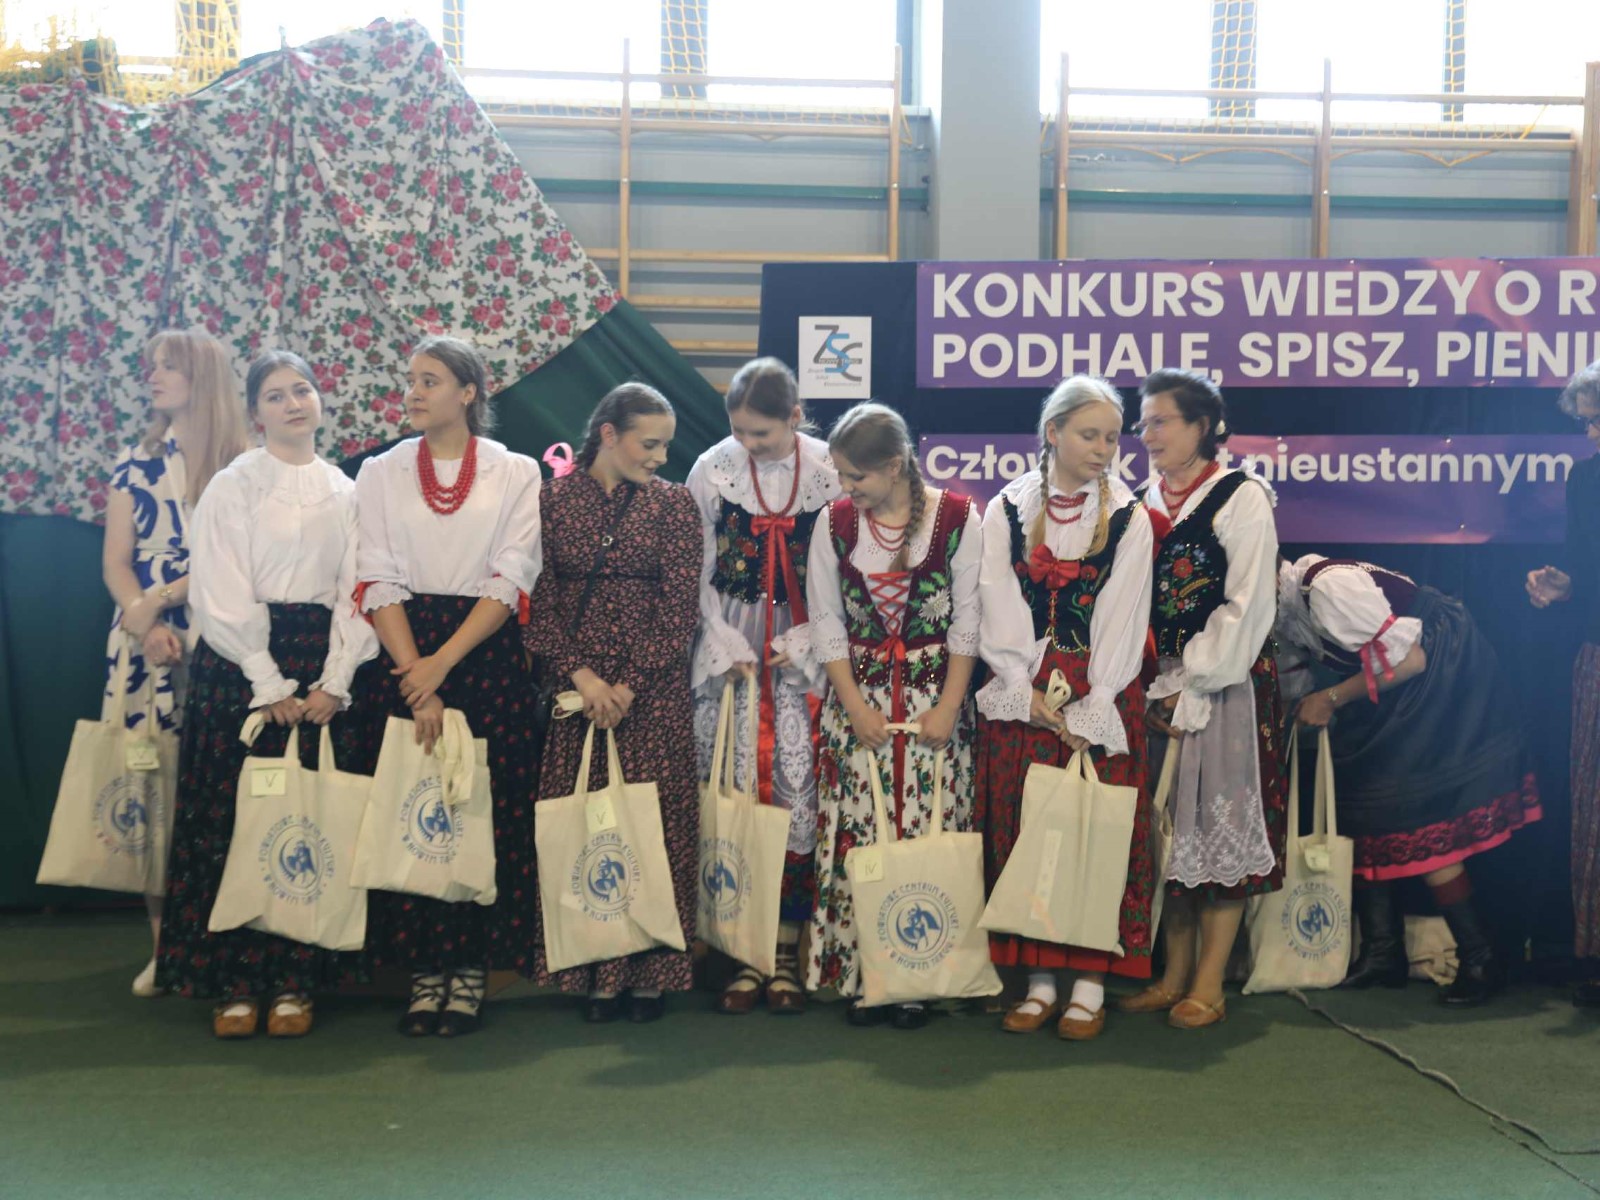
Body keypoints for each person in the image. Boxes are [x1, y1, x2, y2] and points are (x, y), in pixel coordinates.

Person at [156, 349, 379, 1037]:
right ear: (255, 413)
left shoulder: (346, 490)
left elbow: (358, 589)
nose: (292, 404)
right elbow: (219, 588)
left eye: (301, 390)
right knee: (235, 820)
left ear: (319, 401)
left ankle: (294, 980)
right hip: (242, 666)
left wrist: (335, 681)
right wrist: (266, 681)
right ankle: (233, 980)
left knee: (307, 821)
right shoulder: (235, 485)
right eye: (276, 395)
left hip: (320, 666)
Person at [354, 335, 542, 1038]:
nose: (413, 391)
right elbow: (375, 574)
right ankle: (423, 971)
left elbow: (512, 574)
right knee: (414, 808)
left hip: (483, 653)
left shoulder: (515, 471)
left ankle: (471, 969)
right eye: (410, 379)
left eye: (430, 380)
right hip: (404, 649)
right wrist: (418, 676)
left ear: (468, 393)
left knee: (479, 811)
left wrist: (444, 664)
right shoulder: (380, 471)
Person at [975, 376, 1155, 1040]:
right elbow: (994, 595)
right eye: (1089, 435)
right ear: (1053, 433)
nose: (1103, 449)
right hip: (1027, 687)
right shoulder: (1007, 507)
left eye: (1111, 437)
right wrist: (1017, 684)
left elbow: (1124, 612)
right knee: (1031, 828)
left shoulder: (1129, 517)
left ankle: (1090, 982)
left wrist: (1096, 702)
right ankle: (1041, 980)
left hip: (1096, 686)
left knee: (1092, 830)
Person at [1280, 552, 1540, 1006]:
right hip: (1392, 682)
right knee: (1360, 798)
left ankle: (1480, 957)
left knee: (1417, 811)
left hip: (1439, 668)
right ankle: (1383, 952)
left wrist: (1331, 697)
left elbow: (1410, 661)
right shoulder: (1287, 613)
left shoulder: (1325, 589)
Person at [525, 383, 703, 1024]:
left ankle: (651, 973)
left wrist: (626, 686)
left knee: (654, 831)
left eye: (666, 446)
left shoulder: (675, 505)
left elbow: (680, 608)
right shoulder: (548, 501)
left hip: (650, 696)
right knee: (584, 829)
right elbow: (537, 598)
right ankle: (594, 970)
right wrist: (582, 678)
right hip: (577, 693)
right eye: (648, 443)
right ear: (608, 434)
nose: (660, 457)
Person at [1118, 368, 1286, 1030]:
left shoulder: (1240, 497)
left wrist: (1196, 678)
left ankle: (1210, 982)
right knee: (1172, 834)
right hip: (1158, 685)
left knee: (1216, 829)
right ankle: (1172, 974)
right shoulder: (1140, 501)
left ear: (1204, 426)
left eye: (1161, 421)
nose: (1147, 435)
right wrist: (1150, 682)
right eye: (1144, 423)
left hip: (1223, 684)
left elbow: (1248, 602)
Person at [806, 401, 981, 1030]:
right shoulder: (833, 523)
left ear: (895, 464)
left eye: (856, 476)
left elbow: (968, 620)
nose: (846, 487)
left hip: (935, 702)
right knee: (863, 836)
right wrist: (854, 707)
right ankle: (866, 975)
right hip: (863, 703)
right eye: (841, 474)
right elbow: (826, 622)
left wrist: (949, 707)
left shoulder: (957, 517)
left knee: (928, 832)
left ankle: (920, 977)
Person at [686, 358, 839, 1014]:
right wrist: (721, 638)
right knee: (734, 792)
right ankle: (739, 951)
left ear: (796, 417)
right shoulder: (712, 469)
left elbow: (841, 568)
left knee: (795, 797)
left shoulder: (829, 469)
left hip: (804, 643)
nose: (749, 444)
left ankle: (785, 952)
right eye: (740, 432)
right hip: (736, 643)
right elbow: (698, 565)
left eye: (763, 434)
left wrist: (806, 639)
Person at [100, 328, 249, 997]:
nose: (154, 376)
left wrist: (159, 601)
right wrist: (145, 619)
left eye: (169, 366)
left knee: (218, 784)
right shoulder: (135, 462)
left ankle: (226, 939)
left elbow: (232, 559)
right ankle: (166, 948)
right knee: (152, 787)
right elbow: (115, 562)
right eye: (152, 366)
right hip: (143, 642)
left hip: (221, 630)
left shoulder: (242, 462)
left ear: (203, 377)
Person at [1527, 357, 1600, 1007]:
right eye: (1586, 423)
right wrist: (1561, 586)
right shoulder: (1586, 479)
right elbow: (1585, 566)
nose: (1591, 434)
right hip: (1596, 653)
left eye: (1598, 421)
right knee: (1592, 806)